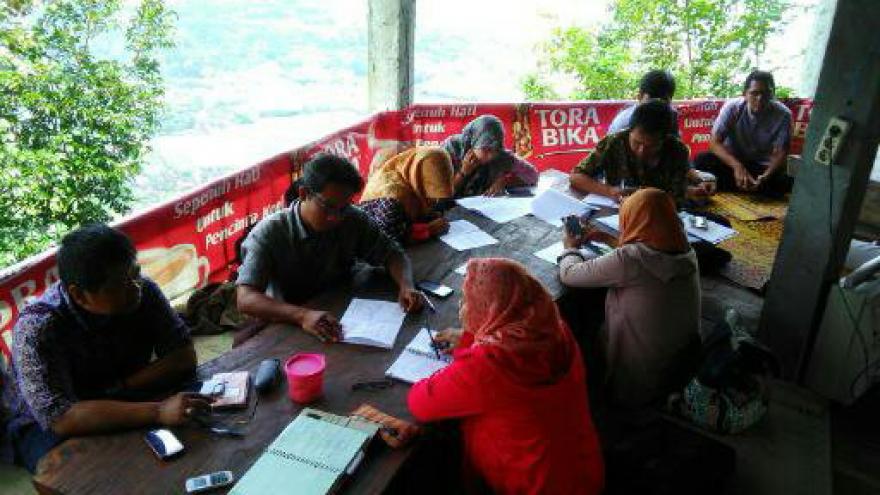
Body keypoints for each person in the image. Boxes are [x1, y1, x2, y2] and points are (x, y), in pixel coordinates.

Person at [0, 224, 206, 473]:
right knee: (80, 472)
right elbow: (61, 418)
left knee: (196, 415)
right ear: (79, 295)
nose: (135, 287)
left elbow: (183, 356)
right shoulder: (38, 327)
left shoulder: (143, 291)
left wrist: (122, 388)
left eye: (135, 273)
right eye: (120, 284)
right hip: (43, 424)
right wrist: (158, 411)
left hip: (121, 389)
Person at [408, 258, 604, 495]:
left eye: (467, 301)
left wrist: (474, 343)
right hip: (581, 468)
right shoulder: (556, 330)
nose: (462, 307)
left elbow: (420, 402)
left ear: (490, 310)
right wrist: (474, 338)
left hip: (531, 484)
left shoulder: (488, 363)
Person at [236, 153, 423, 343]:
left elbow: (393, 254)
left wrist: (406, 286)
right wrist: (302, 315)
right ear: (304, 194)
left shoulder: (352, 218)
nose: (335, 217)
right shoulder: (269, 232)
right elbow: (245, 298)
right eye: (327, 207)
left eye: (343, 208)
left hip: (342, 310)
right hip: (289, 318)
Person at [559, 188, 701, 408]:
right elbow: (648, 253)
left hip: (635, 382)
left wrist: (570, 248)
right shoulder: (685, 251)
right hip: (676, 367)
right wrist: (607, 239)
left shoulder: (631, 259)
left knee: (576, 320)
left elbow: (570, 274)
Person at [570, 99, 714, 207]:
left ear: (665, 139)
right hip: (618, 213)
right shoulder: (613, 142)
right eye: (636, 142)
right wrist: (610, 191)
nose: (641, 151)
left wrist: (689, 192)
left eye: (651, 146)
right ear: (630, 130)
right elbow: (576, 176)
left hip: (660, 214)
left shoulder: (677, 151)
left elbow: (676, 196)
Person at [694, 70, 793, 196]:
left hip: (760, 166)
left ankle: (744, 185)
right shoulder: (732, 108)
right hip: (732, 162)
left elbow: (781, 153)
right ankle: (747, 186)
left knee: (784, 180)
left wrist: (765, 176)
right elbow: (714, 143)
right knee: (702, 160)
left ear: (773, 94)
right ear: (744, 94)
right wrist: (737, 166)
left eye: (766, 93)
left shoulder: (783, 114)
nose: (760, 99)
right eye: (754, 93)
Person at [359, 147, 454, 243]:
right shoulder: (392, 195)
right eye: (431, 187)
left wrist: (429, 216)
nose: (435, 199)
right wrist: (429, 230)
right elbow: (387, 238)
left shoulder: (409, 179)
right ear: (418, 175)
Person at [443, 115, 539, 197]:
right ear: (474, 142)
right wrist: (463, 173)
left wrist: (505, 181)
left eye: (496, 149)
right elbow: (441, 194)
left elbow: (532, 175)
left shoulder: (502, 156)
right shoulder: (450, 151)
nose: (492, 156)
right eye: (486, 149)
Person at [608, 69, 680, 137]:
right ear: (639, 96)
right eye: (651, 100)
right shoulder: (624, 124)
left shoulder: (671, 117)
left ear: (670, 101)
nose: (655, 106)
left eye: (662, 101)